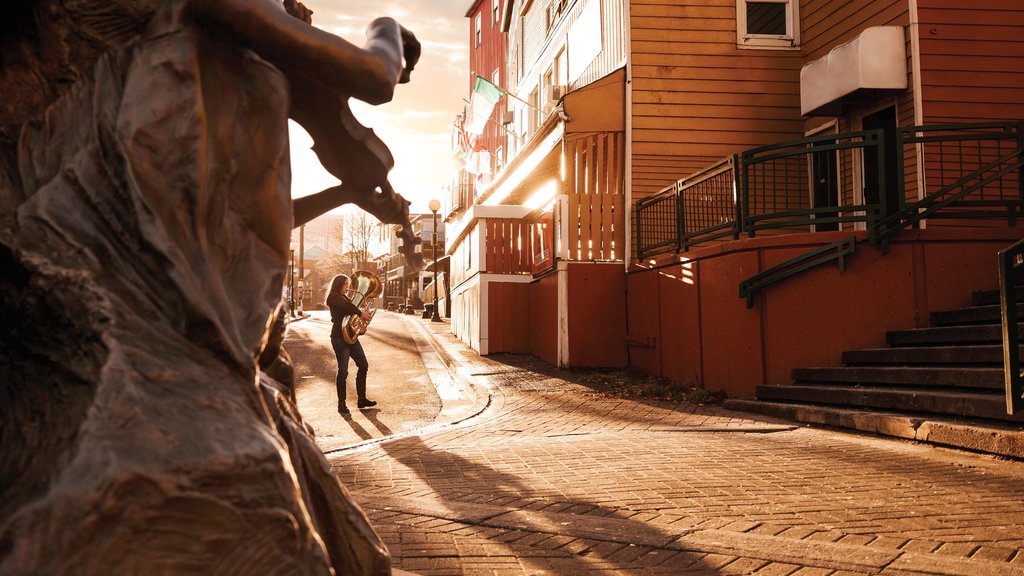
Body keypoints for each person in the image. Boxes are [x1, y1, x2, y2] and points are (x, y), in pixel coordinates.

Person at [325, 274, 377, 416]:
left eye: (348, 284)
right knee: (343, 372)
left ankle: (362, 399)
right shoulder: (333, 297)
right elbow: (347, 307)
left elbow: (350, 318)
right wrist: (361, 313)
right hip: (339, 339)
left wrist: (361, 328)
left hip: (350, 338)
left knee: (363, 365)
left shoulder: (345, 298)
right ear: (338, 285)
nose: (348, 287)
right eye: (345, 285)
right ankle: (341, 404)